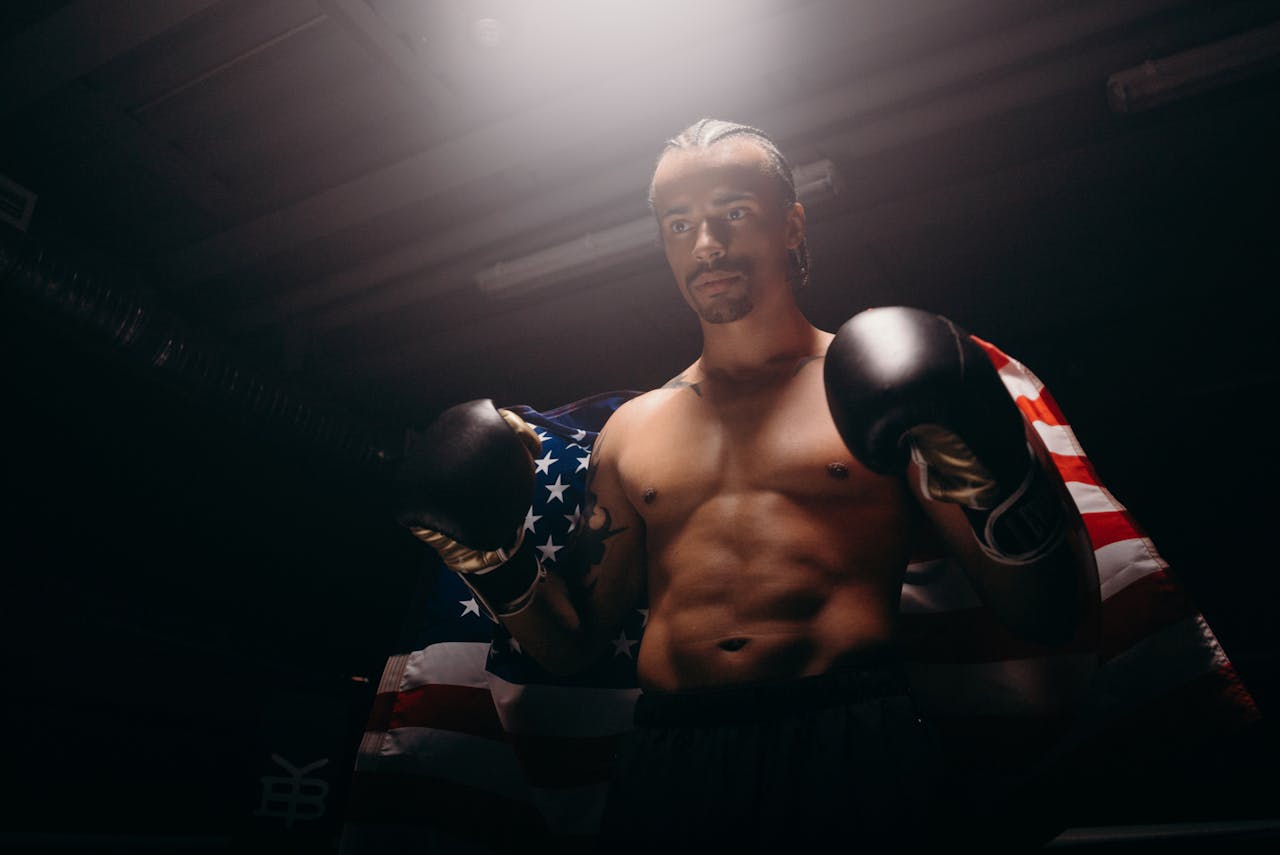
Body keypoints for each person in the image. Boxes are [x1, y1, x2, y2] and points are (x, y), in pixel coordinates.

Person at [393, 119, 1100, 852]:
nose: (706, 244)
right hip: (670, 754)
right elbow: (571, 646)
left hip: (852, 737)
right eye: (680, 223)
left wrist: (996, 480)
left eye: (732, 212)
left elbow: (1045, 611)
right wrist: (494, 561)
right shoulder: (634, 430)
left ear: (791, 225)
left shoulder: (871, 387)